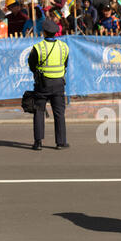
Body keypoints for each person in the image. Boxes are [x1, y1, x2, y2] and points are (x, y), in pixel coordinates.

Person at [28, 19, 70, 150]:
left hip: (43, 84)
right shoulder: (64, 47)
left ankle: (38, 142)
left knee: (39, 111)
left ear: (44, 32)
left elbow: (31, 65)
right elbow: (65, 64)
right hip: (59, 83)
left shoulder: (38, 47)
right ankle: (61, 142)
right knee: (59, 113)